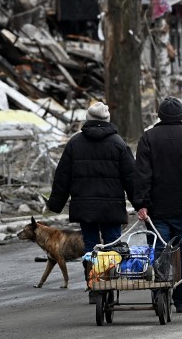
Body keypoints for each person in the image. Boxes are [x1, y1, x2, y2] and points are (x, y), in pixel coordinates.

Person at [46, 101, 135, 301]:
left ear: (88, 119)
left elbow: (63, 176)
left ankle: (94, 287)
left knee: (91, 246)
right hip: (111, 207)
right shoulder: (118, 143)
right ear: (107, 120)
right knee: (112, 246)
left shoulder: (75, 143)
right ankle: (110, 285)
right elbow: (131, 177)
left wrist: (55, 204)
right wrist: (140, 203)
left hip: (84, 206)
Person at [133, 96, 182, 314]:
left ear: (160, 115)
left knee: (159, 251)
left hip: (156, 209)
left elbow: (142, 174)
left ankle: (159, 296)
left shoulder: (148, 138)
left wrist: (141, 203)